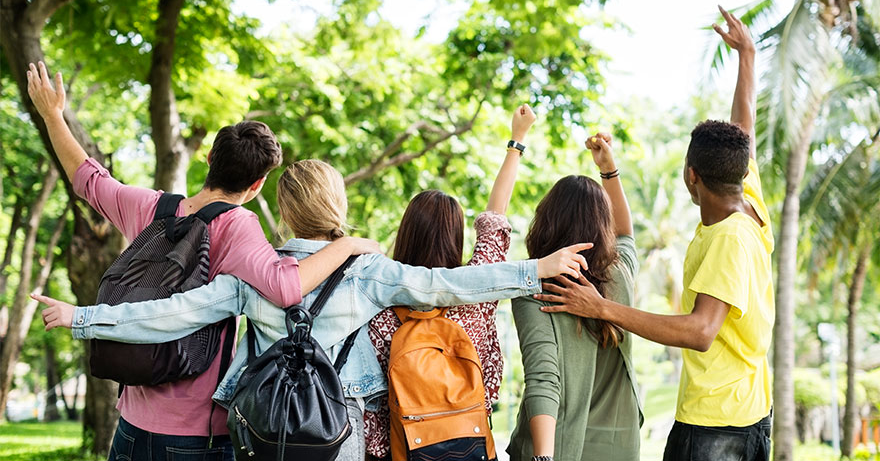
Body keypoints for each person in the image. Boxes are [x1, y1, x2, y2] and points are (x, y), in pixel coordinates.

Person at [33, 158, 592, 461]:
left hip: (261, 429)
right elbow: (451, 285)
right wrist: (534, 271)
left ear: (283, 213)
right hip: (338, 432)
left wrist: (82, 317)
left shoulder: (253, 273)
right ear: (337, 207)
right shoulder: (368, 270)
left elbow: (171, 313)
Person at [25, 62, 378, 460]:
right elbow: (286, 287)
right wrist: (348, 245)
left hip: (130, 425)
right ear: (257, 183)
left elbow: (89, 179)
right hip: (194, 435)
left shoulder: (150, 207)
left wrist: (53, 115)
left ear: (209, 158)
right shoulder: (239, 226)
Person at [534, 6, 774, 461]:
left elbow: (702, 330)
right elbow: (743, 127)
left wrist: (603, 307)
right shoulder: (747, 197)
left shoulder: (728, 239)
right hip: (751, 411)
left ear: (690, 176)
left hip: (716, 425)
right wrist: (747, 57)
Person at [364, 104, 537, 459]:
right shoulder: (477, 292)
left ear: (406, 232)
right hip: (468, 445)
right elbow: (495, 218)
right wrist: (516, 141)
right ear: (455, 237)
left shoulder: (377, 302)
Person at [507, 131, 642, 461]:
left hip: (560, 448)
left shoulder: (536, 286)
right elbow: (625, 233)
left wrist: (543, 457)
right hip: (620, 446)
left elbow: (543, 380)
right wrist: (609, 169)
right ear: (602, 225)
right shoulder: (619, 274)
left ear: (546, 221)